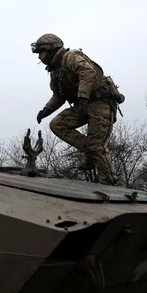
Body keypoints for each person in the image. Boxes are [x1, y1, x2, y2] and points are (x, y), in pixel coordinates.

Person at [31, 33, 124, 185]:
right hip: (83, 105)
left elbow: (87, 72)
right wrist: (46, 110)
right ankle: (91, 152)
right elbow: (59, 96)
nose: (39, 57)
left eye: (41, 52)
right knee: (58, 124)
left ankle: (108, 183)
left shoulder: (70, 57)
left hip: (100, 102)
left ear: (51, 49)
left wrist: (82, 97)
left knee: (97, 146)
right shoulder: (55, 71)